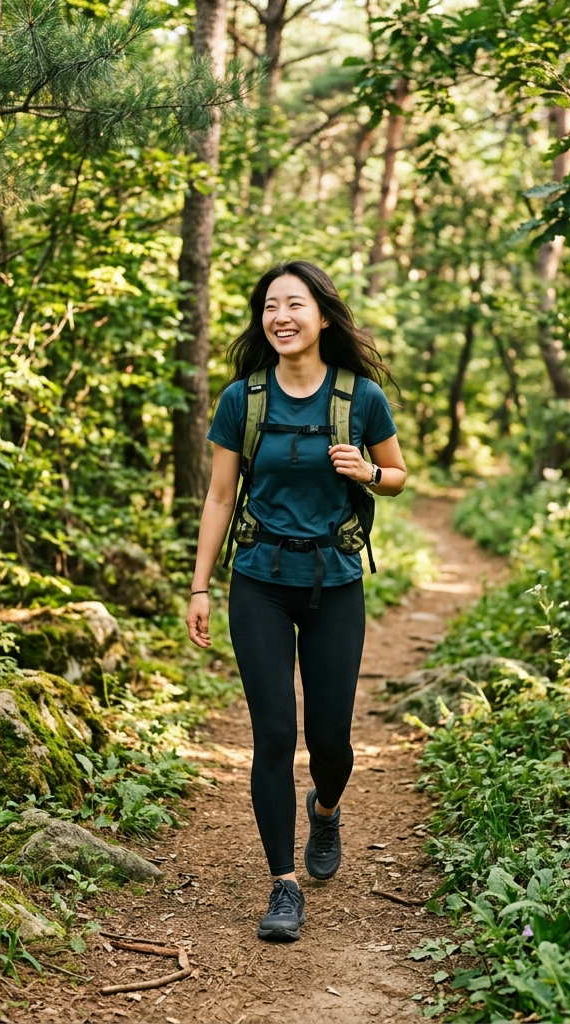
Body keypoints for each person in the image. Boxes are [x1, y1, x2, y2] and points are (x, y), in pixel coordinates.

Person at [185, 260, 407, 942]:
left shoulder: (359, 397)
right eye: (270, 306)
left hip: (335, 581)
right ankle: (283, 885)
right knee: (275, 733)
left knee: (331, 741)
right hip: (259, 579)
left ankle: (328, 805)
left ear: (321, 316)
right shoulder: (242, 400)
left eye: (295, 304)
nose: (280, 316)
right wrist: (199, 585)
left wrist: (369, 472)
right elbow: (221, 496)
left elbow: (397, 475)